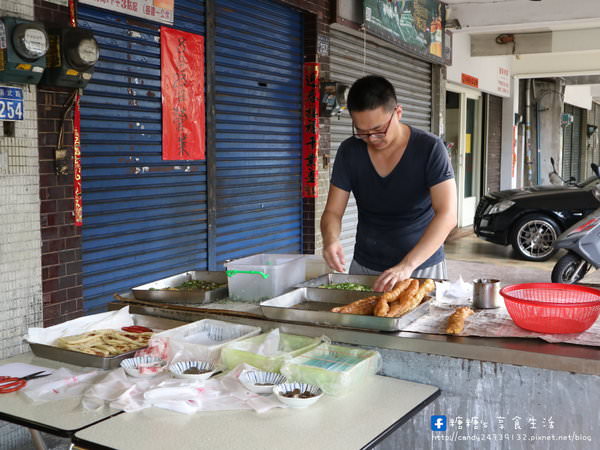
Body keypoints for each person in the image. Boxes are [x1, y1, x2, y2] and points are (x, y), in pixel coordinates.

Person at [320, 75, 457, 292]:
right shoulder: (350, 151)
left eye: (378, 130)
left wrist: (407, 265)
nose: (372, 138)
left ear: (398, 113)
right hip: (365, 265)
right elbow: (333, 212)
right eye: (362, 132)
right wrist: (330, 240)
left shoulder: (429, 148)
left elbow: (448, 215)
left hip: (421, 267)